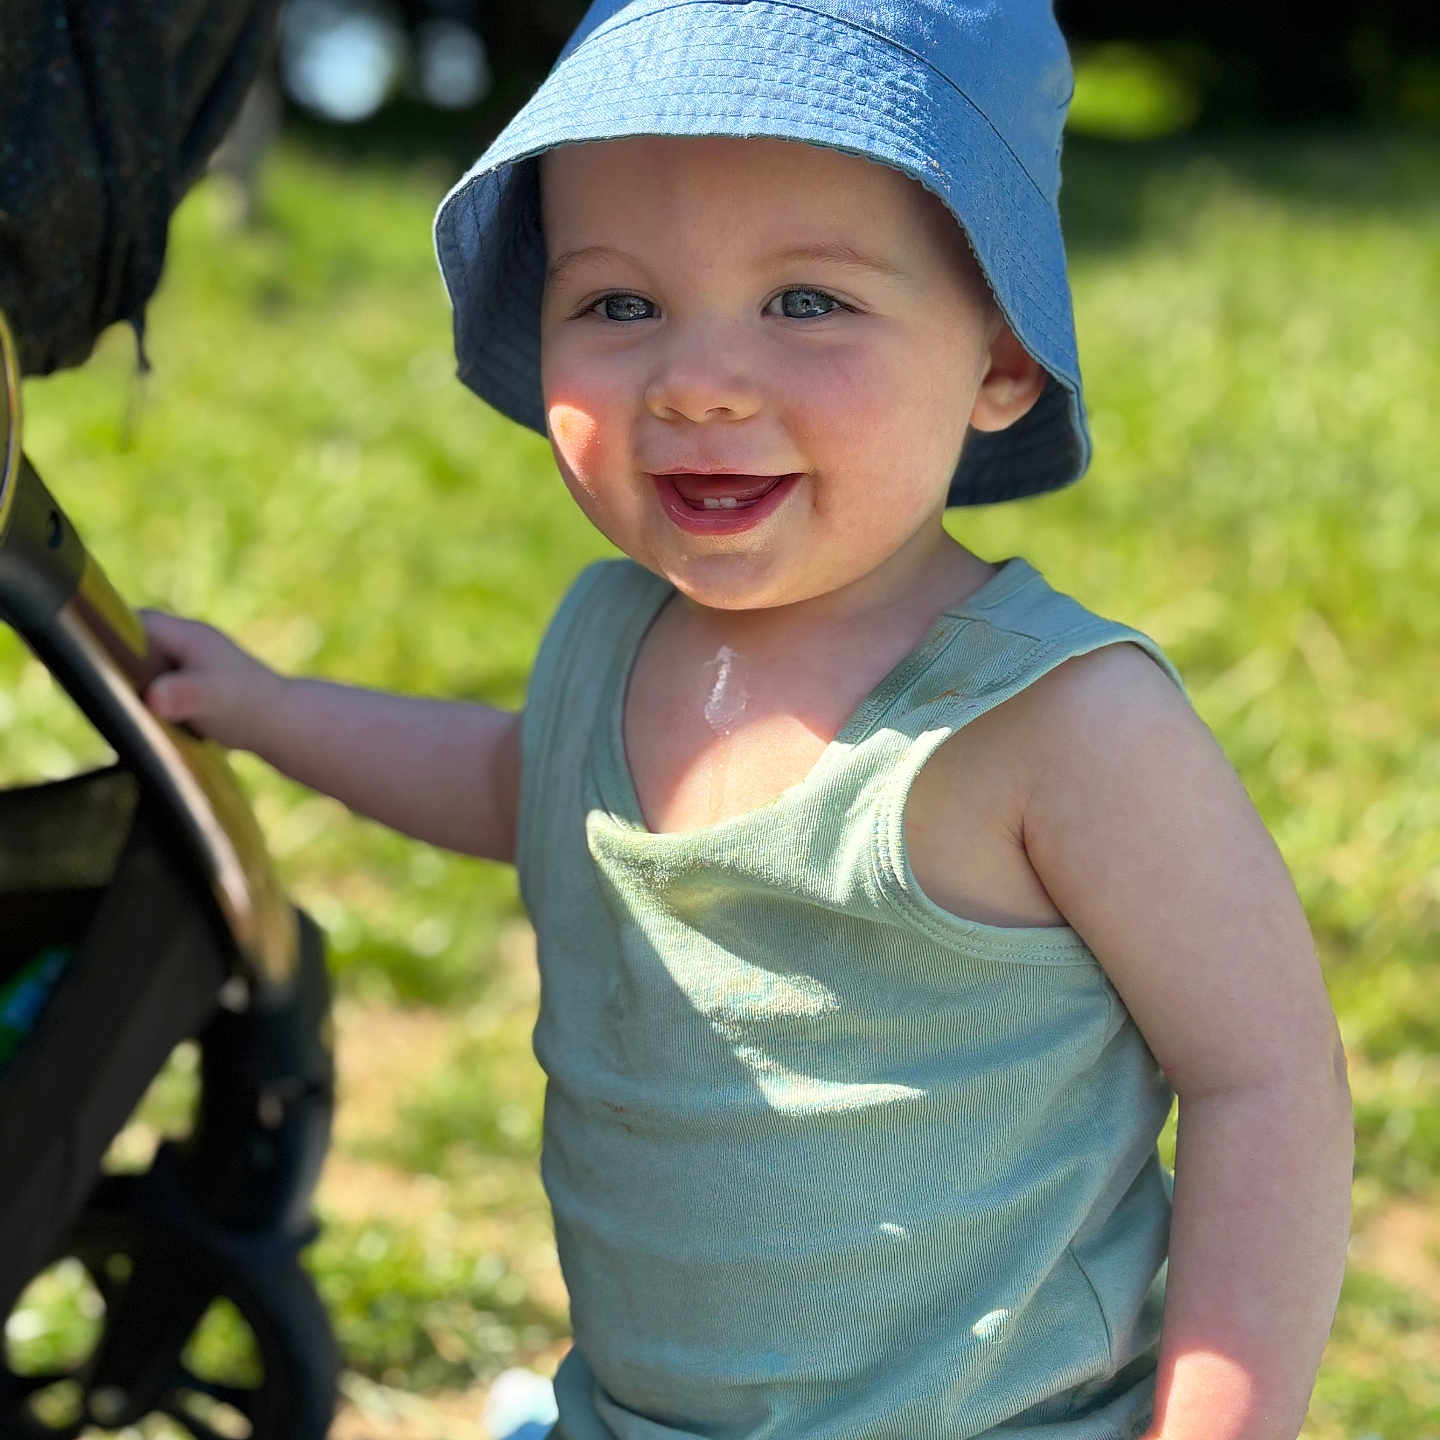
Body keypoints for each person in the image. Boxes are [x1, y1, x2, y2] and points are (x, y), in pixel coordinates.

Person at [140, 1, 1354, 1437]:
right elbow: (510, 776)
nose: (698, 381)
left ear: (1001, 362)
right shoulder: (606, 636)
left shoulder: (1055, 726)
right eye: (618, 304)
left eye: (807, 302)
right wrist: (275, 712)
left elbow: (1264, 1083)